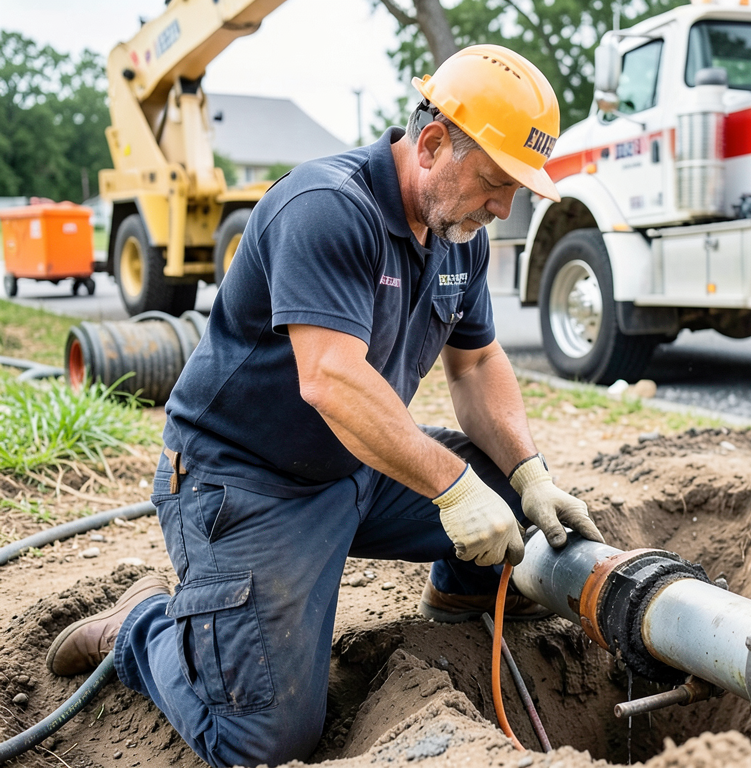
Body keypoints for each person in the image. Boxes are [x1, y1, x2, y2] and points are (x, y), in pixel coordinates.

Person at [45, 44, 604, 768]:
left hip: (357, 465)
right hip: (246, 482)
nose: (504, 206)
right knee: (264, 743)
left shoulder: (461, 235)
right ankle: (143, 627)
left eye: (515, 189)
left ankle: (464, 597)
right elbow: (331, 378)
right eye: (496, 182)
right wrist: (450, 486)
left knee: (513, 495)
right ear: (432, 144)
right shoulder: (328, 208)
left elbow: (476, 365)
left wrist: (529, 476)